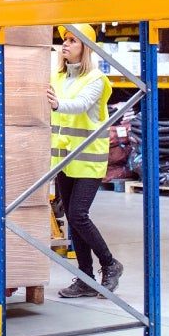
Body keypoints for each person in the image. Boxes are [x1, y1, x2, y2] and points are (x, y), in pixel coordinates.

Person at [49, 28, 123, 301]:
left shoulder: (96, 80)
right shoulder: (56, 76)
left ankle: (110, 263)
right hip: (64, 159)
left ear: (86, 47)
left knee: (79, 214)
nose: (65, 45)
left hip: (89, 158)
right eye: (64, 40)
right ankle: (85, 278)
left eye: (71, 41)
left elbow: (80, 105)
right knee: (72, 219)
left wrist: (56, 105)